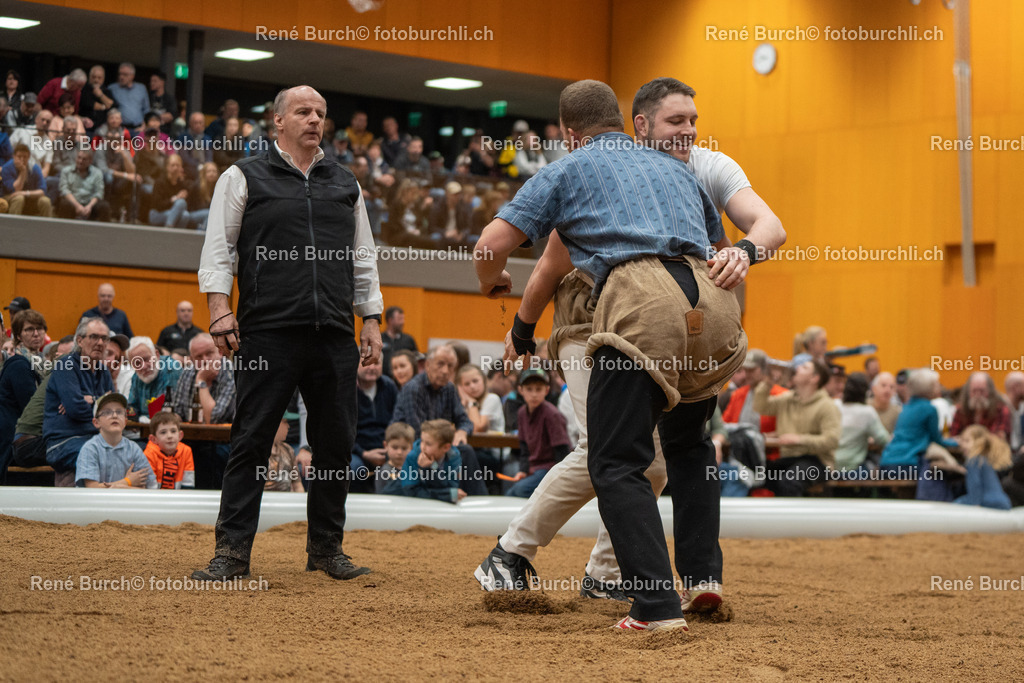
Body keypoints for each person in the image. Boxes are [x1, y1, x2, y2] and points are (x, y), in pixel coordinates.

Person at [472, 77, 785, 625]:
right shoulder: (678, 171)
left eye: (691, 120)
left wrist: (492, 283)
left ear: (570, 134)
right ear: (630, 123)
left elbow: (491, 246)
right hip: (707, 305)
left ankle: (632, 595)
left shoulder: (570, 169)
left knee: (615, 459)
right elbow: (721, 248)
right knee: (678, 453)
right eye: (677, 121)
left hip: (634, 309)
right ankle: (654, 577)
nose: (686, 130)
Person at [192, 85, 383, 582]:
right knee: (251, 441)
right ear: (278, 120)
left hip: (336, 332)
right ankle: (231, 553)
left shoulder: (346, 183)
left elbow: (363, 258)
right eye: (303, 111)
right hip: (268, 330)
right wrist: (219, 309)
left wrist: (373, 320)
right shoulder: (243, 176)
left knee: (336, 444)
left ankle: (325, 549)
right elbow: (219, 248)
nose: (314, 119)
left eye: (320, 113)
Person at [754, 359, 842, 496]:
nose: (798, 367)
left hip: (818, 461)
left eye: (804, 367)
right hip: (790, 458)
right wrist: (768, 382)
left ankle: (791, 517)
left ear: (814, 378)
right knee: (755, 475)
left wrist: (799, 439)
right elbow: (760, 406)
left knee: (790, 481)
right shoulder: (787, 399)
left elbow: (832, 440)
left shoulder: (827, 406)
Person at [44, 317, 114, 485]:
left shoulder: (103, 371)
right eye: (94, 337)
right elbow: (75, 408)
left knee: (136, 450)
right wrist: (99, 404)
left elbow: (114, 409)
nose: (99, 342)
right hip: (63, 442)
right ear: (80, 341)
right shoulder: (65, 364)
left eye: (104, 338)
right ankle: (88, 508)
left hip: (95, 437)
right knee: (94, 454)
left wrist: (92, 400)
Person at [880, 369, 959, 492]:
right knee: (944, 472)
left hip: (886, 462)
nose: (939, 387)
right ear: (929, 387)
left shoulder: (905, 407)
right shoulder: (929, 409)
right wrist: (956, 442)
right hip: (908, 463)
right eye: (937, 384)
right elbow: (937, 440)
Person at [505, 368, 570, 498]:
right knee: (510, 491)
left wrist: (559, 480)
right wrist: (523, 470)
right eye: (529, 389)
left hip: (549, 469)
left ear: (546, 390)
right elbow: (524, 448)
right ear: (521, 390)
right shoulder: (522, 413)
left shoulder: (552, 414)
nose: (534, 394)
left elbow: (562, 450)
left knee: (520, 490)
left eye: (538, 389)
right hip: (533, 468)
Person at [0, 310, 48, 481]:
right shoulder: (19, 365)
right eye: (29, 329)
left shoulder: (38, 362)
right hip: (15, 443)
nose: (36, 333)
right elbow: (31, 407)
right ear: (18, 335)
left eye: (40, 328)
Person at [75, 392, 156, 488]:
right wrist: (127, 482)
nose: (114, 416)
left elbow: (149, 488)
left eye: (119, 412)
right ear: (96, 422)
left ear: (125, 421)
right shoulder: (90, 449)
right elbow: (92, 489)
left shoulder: (134, 449)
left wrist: (116, 487)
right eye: (107, 412)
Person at [350, 357, 398, 493]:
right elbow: (342, 430)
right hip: (356, 451)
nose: (372, 367)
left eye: (376, 363)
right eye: (366, 362)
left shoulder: (389, 387)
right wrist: (364, 453)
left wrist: (390, 449)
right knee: (354, 469)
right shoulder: (346, 390)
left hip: (387, 449)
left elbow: (397, 422)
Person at [834, 372, 891, 473]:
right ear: (866, 391)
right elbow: (884, 439)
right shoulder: (867, 412)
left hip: (830, 466)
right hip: (853, 468)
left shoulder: (834, 405)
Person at [397, 419, 464, 502]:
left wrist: (432, 467)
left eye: (428, 444)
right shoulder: (413, 456)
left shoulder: (453, 456)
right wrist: (446, 495)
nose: (423, 447)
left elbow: (450, 486)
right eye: (422, 441)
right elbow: (411, 492)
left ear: (446, 447)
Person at [125, 337, 182, 419]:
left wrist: (140, 418)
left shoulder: (171, 368)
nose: (143, 366)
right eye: (137, 363)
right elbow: (131, 408)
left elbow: (165, 411)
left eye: (146, 359)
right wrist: (136, 416)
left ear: (157, 355)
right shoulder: (137, 376)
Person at [950, 372, 1012, 442]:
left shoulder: (1001, 410)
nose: (978, 395)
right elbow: (954, 436)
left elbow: (998, 439)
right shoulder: (961, 410)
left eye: (982, 391)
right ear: (968, 392)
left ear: (990, 391)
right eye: (974, 391)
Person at [143, 410, 196, 489]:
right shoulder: (149, 454)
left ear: (180, 435)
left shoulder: (186, 451)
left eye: (173, 431)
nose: (169, 436)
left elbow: (188, 483)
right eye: (163, 432)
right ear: (153, 439)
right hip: (155, 498)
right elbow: (149, 485)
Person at [56, 148, 111, 222]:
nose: (80, 161)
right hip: (73, 203)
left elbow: (99, 193)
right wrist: (77, 206)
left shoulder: (97, 173)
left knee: (104, 206)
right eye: (79, 158)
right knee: (64, 204)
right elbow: (64, 190)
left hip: (90, 205)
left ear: (90, 161)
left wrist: (89, 206)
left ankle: (104, 232)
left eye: (84, 159)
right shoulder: (66, 171)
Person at [3, 143, 54, 217]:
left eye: (25, 157)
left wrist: (25, 193)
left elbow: (42, 191)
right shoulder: (7, 168)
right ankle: (13, 227)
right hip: (9, 197)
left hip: (28, 198)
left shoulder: (35, 168)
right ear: (14, 156)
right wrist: (23, 171)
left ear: (29, 157)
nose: (22, 160)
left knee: (45, 201)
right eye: (19, 157)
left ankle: (46, 227)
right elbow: (16, 189)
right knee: (19, 199)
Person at [375, 421, 414, 494]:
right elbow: (380, 496)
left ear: (411, 447)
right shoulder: (384, 472)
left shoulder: (413, 469)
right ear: (385, 445)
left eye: (404, 448)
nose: (399, 452)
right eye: (395, 448)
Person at [381, 306, 419, 379]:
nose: (402, 322)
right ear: (390, 320)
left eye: (403, 319)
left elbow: (416, 360)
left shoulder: (408, 339)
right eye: (399, 319)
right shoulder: (379, 339)